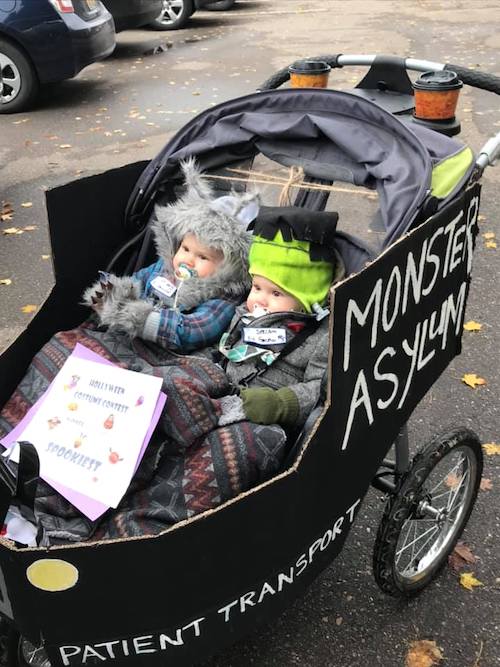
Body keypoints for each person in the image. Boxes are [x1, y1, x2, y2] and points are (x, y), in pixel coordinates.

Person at [82, 157, 259, 353]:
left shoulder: (224, 297)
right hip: (128, 335)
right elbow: (137, 281)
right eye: (185, 249)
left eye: (203, 257)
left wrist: (144, 320)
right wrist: (115, 295)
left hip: (171, 351)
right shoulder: (163, 268)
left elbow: (196, 330)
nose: (188, 259)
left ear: (229, 267)